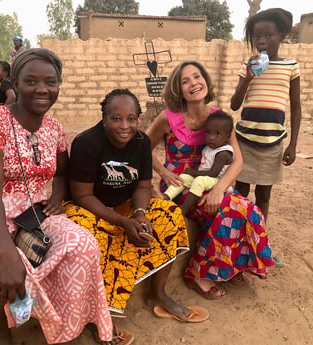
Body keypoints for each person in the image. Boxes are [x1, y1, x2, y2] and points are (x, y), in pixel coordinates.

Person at [0, 48, 115, 345]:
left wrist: (58, 195)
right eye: (31, 81)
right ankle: (3, 337)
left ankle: (68, 327)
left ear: (58, 85)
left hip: (34, 212)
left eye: (50, 82)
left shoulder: (54, 128)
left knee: (84, 246)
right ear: (15, 82)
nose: (42, 89)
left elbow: (62, 171)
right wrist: (6, 254)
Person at [65, 88, 209, 329]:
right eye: (116, 118)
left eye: (131, 119)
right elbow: (82, 195)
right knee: (84, 232)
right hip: (89, 207)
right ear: (104, 118)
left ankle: (157, 293)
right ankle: (96, 310)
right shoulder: (86, 143)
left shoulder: (141, 142)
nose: (125, 126)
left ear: (138, 119)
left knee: (169, 214)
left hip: (126, 205)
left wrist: (139, 214)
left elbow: (143, 186)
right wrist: (122, 222)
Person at [146, 61, 274, 300]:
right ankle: (198, 273)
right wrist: (162, 173)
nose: (194, 83)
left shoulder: (219, 118)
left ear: (205, 80)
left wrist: (219, 189)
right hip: (180, 183)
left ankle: (234, 265)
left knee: (250, 210)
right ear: (178, 89)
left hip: (210, 182)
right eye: (186, 81)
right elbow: (140, 147)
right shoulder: (168, 118)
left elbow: (237, 161)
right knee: (230, 211)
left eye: (197, 76)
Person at [230, 8, 301, 223]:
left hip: (272, 142)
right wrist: (249, 77)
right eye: (257, 36)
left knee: (264, 196)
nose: (261, 41)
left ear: (281, 36)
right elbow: (234, 105)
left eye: (268, 36)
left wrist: (292, 144)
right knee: (240, 192)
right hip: (244, 140)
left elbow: (296, 107)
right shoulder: (248, 65)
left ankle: (259, 238)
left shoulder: (290, 66)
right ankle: (236, 237)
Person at [162, 110, 234, 216]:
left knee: (199, 181)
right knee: (184, 178)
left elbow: (213, 173)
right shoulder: (209, 148)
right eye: (208, 133)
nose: (211, 137)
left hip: (217, 180)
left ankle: (184, 209)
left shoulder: (223, 152)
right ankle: (166, 196)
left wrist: (192, 172)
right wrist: (192, 172)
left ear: (227, 137)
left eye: (217, 134)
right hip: (205, 177)